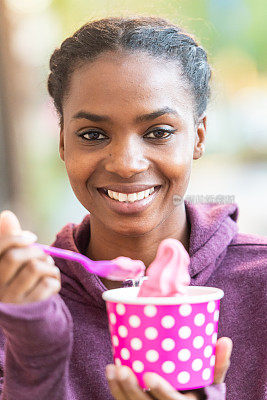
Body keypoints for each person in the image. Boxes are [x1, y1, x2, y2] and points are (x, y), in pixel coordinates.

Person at [0, 16, 266, 400]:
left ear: (199, 137)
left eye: (158, 132)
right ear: (62, 143)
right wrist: (36, 358)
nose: (126, 163)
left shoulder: (261, 283)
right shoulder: (19, 305)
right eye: (93, 135)